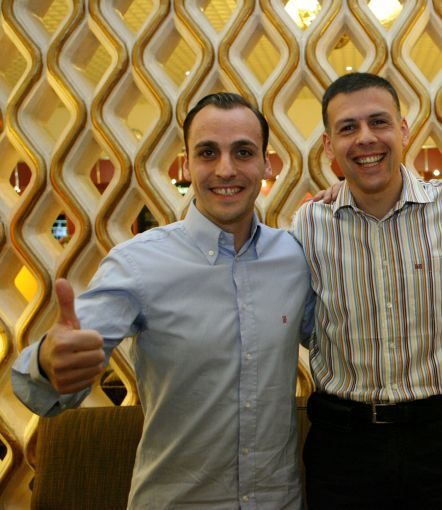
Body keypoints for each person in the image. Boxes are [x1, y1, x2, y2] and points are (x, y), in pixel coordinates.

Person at [12, 93, 313, 509]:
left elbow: (338, 338)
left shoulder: (294, 257)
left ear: (265, 163)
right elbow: (50, 378)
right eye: (208, 153)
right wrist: (48, 363)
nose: (226, 169)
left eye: (243, 152)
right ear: (187, 164)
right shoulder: (138, 263)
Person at [291, 72, 442, 509]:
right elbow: (300, 317)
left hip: (438, 437)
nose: (365, 138)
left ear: (403, 130)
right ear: (329, 145)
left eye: (379, 122)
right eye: (348, 128)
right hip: (342, 445)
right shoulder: (309, 224)